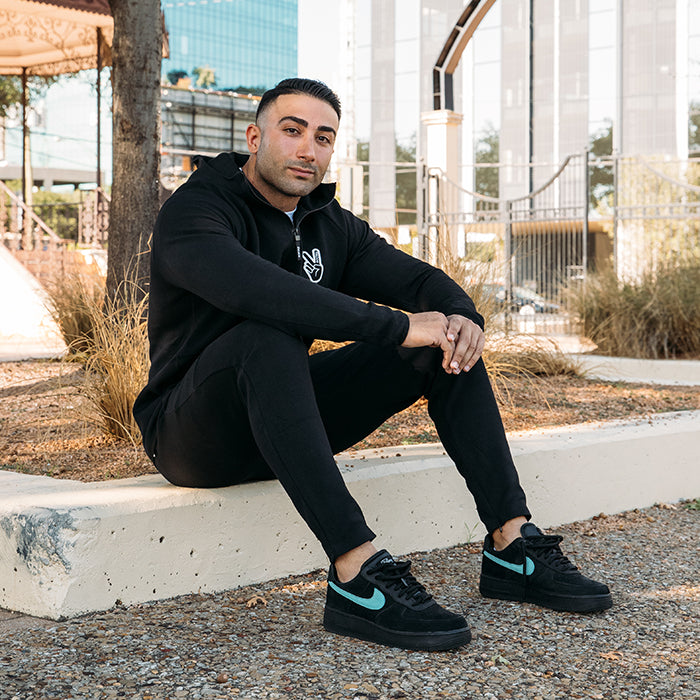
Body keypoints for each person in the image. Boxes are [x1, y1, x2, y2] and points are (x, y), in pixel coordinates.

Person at [133, 78, 612, 652]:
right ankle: (356, 571)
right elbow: (260, 292)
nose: (308, 149)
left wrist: (462, 318)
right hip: (191, 436)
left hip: (280, 423)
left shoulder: (326, 222)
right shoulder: (196, 209)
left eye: (323, 137)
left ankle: (512, 544)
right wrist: (398, 324)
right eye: (292, 131)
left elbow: (418, 279)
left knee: (438, 346)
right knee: (266, 334)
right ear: (255, 138)